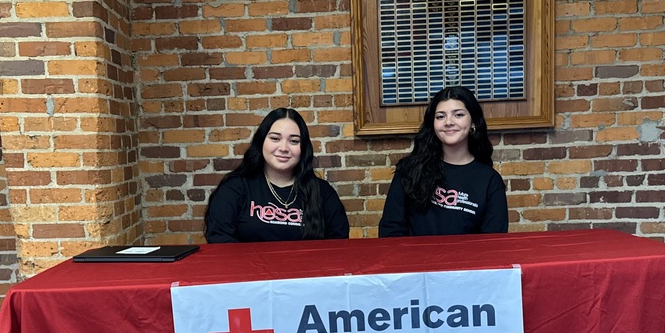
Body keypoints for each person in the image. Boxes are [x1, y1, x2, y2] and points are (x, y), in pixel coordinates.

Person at [204, 107, 350, 243]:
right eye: (275, 138)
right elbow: (220, 243)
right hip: (249, 270)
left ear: (303, 148)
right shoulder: (234, 188)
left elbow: (338, 246)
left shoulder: (322, 192)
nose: (283, 148)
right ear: (261, 142)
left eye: (294, 141)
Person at [379, 86, 508, 237]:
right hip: (414, 259)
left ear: (473, 122)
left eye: (458, 115)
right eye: (440, 116)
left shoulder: (490, 181)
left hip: (467, 260)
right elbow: (390, 230)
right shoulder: (410, 170)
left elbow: (493, 243)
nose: (448, 122)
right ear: (433, 125)